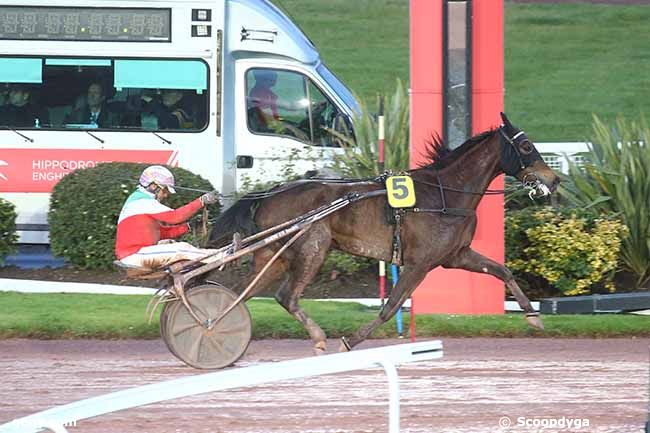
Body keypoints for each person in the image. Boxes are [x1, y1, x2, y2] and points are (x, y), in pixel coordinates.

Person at [115, 165, 222, 270]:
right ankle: (222, 256)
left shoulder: (140, 200)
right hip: (133, 255)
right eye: (165, 190)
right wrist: (201, 201)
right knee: (181, 249)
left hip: (136, 253)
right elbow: (175, 216)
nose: (166, 195)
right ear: (153, 186)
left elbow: (162, 233)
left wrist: (188, 226)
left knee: (174, 245)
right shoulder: (142, 202)